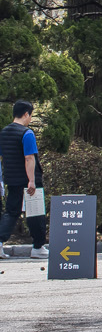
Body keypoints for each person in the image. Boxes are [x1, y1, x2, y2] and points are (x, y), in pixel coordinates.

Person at [1, 100, 48, 259]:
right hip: (28, 181)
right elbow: (29, 158)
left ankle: (0, 243)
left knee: (11, 212)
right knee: (36, 213)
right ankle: (38, 247)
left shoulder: (4, 132)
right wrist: (32, 180)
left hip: (12, 179)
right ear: (26, 114)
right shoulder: (27, 133)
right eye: (30, 115)